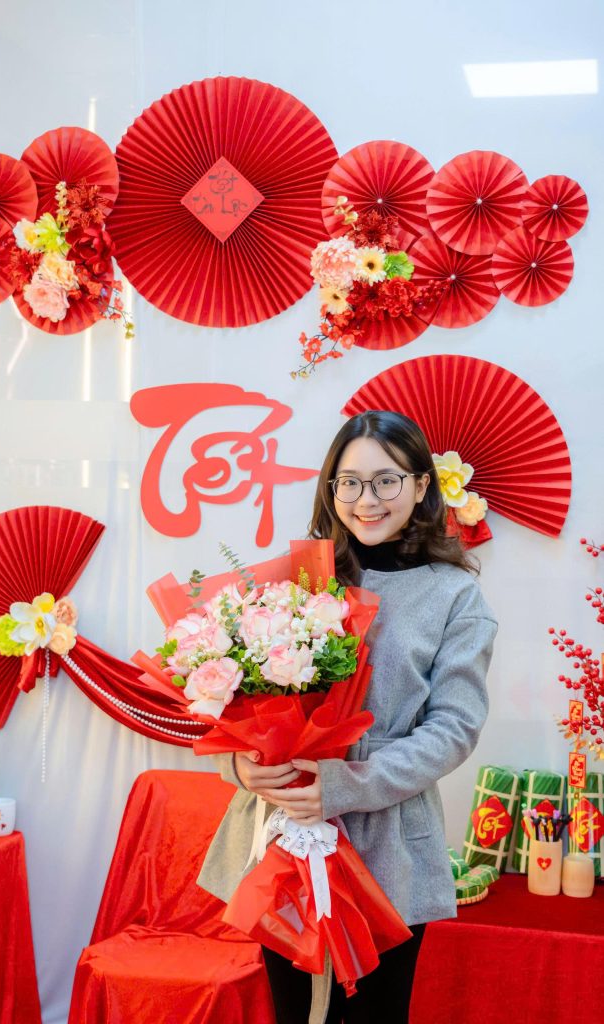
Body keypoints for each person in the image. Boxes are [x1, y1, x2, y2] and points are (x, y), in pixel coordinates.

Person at [198, 410, 498, 1024]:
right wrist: (242, 766)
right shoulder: (297, 580)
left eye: (387, 480)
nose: (367, 500)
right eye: (350, 482)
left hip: (390, 846)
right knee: (293, 1011)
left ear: (421, 485)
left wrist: (345, 784)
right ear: (330, 489)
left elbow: (454, 728)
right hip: (284, 837)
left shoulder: (455, 595)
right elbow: (236, 696)